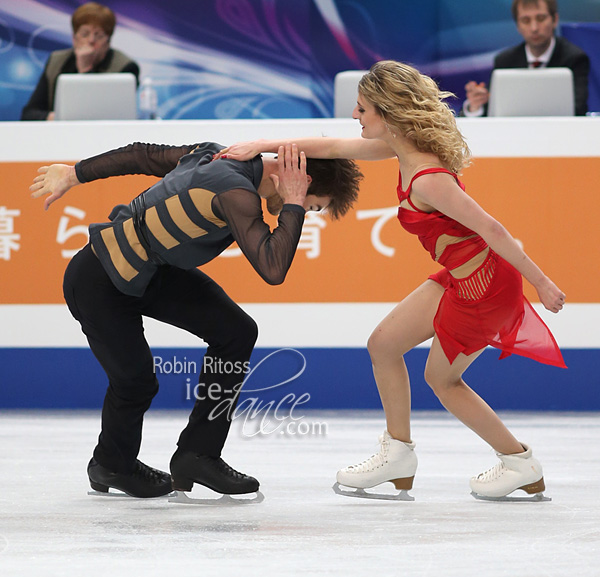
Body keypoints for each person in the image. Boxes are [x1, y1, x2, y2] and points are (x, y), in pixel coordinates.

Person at [214, 60, 567, 501]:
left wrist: (542, 283)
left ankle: (518, 461)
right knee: (383, 345)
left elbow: (494, 230)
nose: (356, 117)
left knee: (443, 381)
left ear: (386, 112)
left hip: (485, 286)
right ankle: (398, 454)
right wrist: (262, 145)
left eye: (362, 109)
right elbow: (330, 146)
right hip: (460, 278)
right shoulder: (398, 150)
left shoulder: (428, 178)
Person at [30, 141, 362, 498]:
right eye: (312, 206)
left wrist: (75, 173)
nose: (305, 211)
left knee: (236, 331)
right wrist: (293, 203)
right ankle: (110, 464)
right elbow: (273, 267)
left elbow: (141, 156)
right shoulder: (234, 191)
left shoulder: (214, 154)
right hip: (99, 279)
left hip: (152, 273)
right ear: (301, 179)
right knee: (135, 383)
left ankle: (197, 454)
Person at [463, 0, 590, 117]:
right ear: (518, 25)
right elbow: (491, 110)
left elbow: (578, 110)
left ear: (555, 20)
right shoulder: (504, 61)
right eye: (526, 20)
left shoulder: (574, 58)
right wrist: (476, 104)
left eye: (540, 18)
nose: (534, 28)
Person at [21, 2, 139, 121]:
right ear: (74, 38)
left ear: (108, 41)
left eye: (98, 35)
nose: (91, 40)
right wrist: (57, 118)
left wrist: (85, 69)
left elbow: (99, 115)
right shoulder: (56, 61)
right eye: (85, 34)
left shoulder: (126, 67)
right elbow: (29, 114)